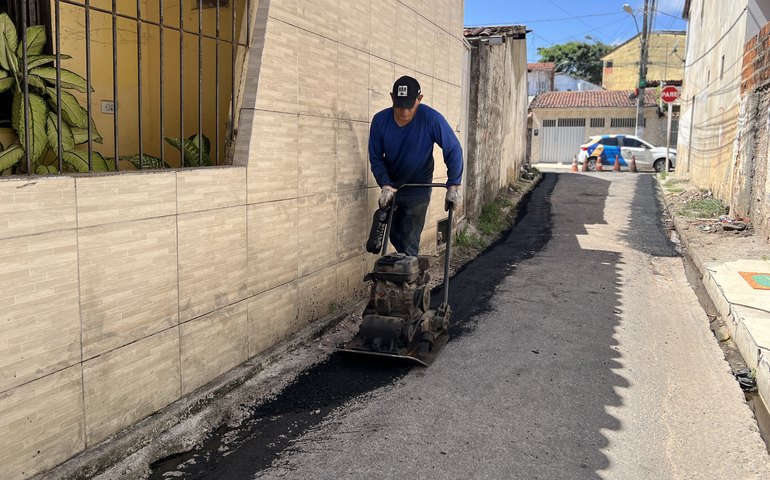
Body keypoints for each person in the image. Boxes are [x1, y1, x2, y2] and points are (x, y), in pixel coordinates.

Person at [368, 75, 464, 256]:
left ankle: (411, 281)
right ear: (392, 98)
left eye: (409, 106)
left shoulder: (431, 119)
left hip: (418, 186)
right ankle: (410, 271)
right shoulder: (380, 121)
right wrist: (385, 185)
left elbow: (453, 150)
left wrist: (453, 186)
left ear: (419, 99)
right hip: (393, 187)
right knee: (395, 235)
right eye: (400, 106)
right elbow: (376, 157)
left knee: (409, 239)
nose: (404, 112)